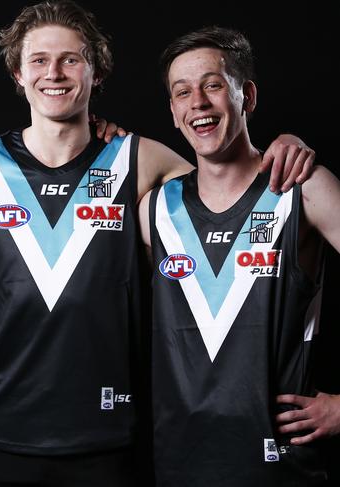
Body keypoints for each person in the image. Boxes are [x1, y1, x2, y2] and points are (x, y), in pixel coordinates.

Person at [0, 2, 314, 486]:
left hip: (108, 433)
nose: (54, 72)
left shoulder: (144, 159)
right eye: (38, 60)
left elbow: (236, 182)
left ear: (97, 72)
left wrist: (287, 146)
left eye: (72, 59)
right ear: (17, 72)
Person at [134, 26, 340, 486]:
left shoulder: (302, 189)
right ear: (172, 111)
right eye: (182, 92)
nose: (198, 104)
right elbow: (89, 298)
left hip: (279, 468)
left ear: (246, 95)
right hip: (179, 463)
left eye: (212, 86)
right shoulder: (154, 211)